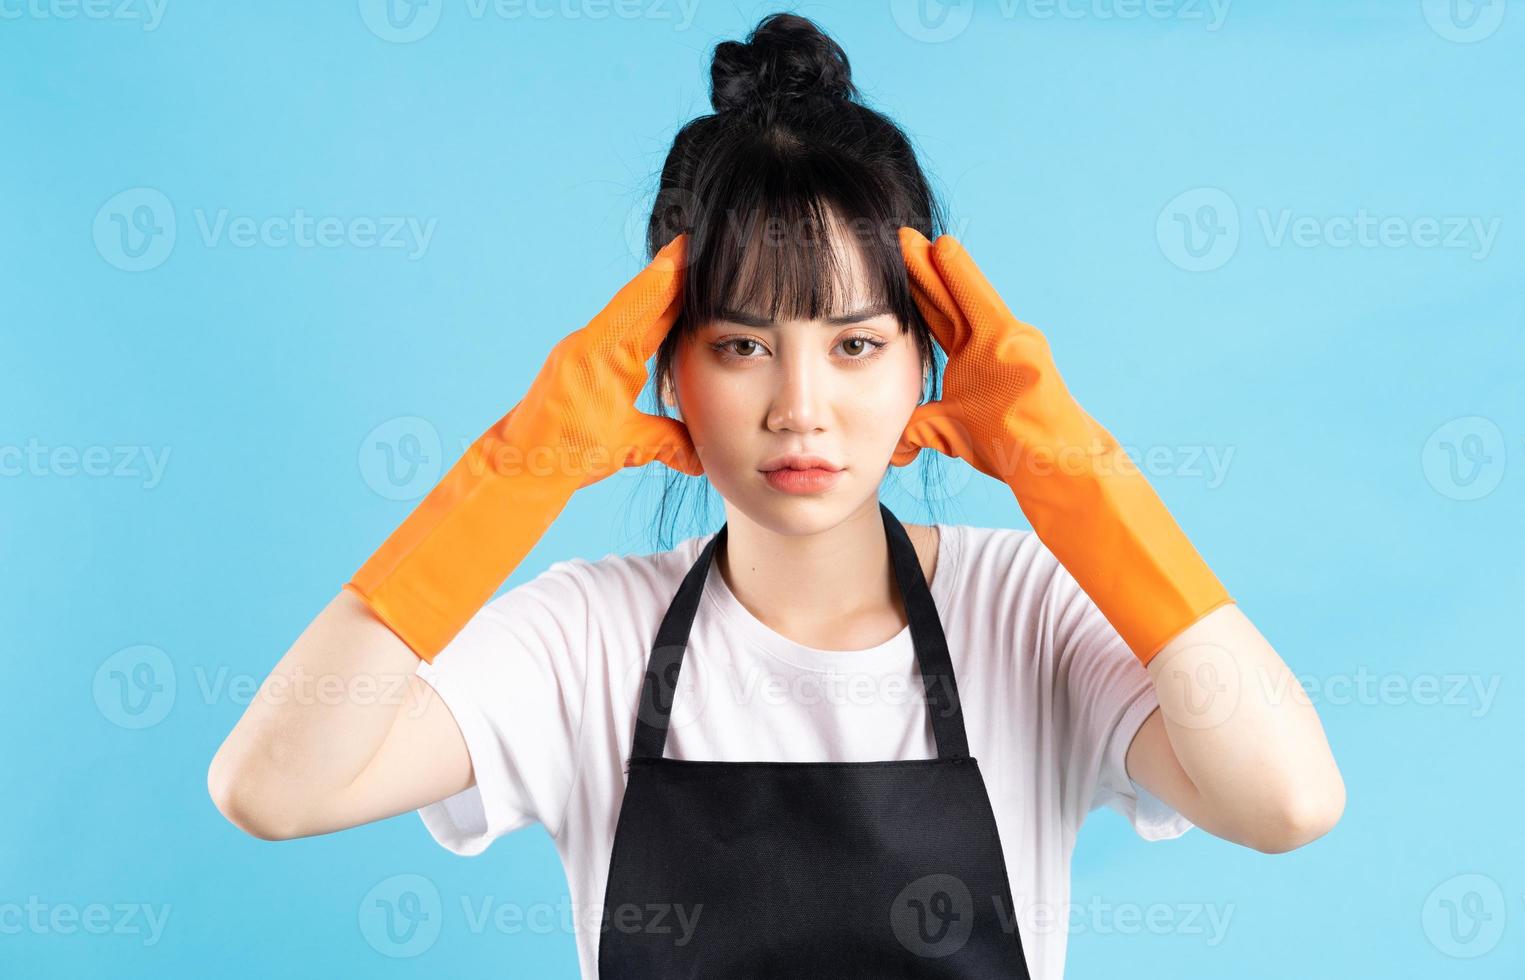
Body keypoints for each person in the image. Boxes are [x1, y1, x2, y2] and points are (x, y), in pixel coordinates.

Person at [207, 13, 1345, 979]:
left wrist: (1078, 481)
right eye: (743, 344)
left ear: (927, 358)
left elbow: (1286, 801)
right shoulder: (582, 634)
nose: (800, 405)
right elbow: (270, 787)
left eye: (854, 344)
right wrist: (514, 472)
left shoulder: (1026, 607)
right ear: (662, 362)